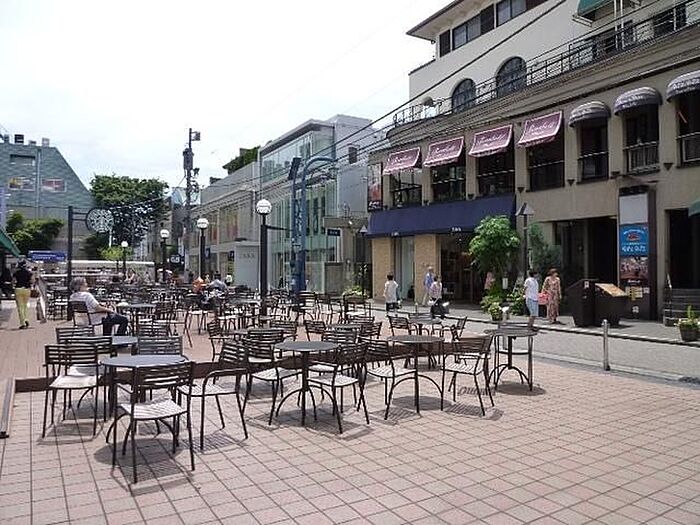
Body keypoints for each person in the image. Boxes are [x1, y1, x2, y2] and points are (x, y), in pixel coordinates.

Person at [13, 260, 33, 329]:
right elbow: (32, 281)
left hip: (18, 289)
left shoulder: (16, 272)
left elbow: (13, 281)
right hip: (27, 290)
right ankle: (26, 319)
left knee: (20, 307)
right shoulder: (29, 273)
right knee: (25, 305)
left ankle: (23, 323)